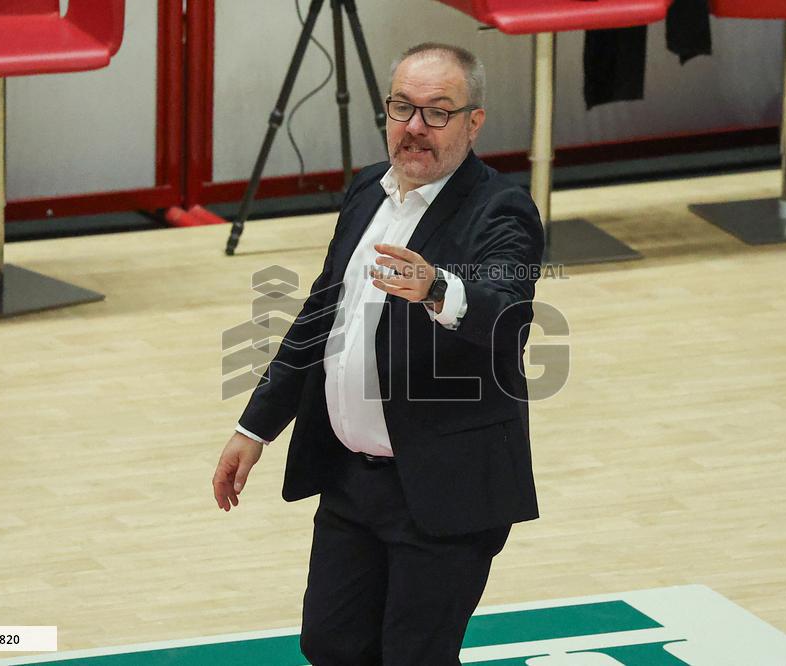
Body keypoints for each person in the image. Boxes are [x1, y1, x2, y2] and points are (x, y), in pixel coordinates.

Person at [212, 42, 543, 665]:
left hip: (443, 490)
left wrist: (437, 288)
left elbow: (508, 313)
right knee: (332, 645)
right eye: (402, 107)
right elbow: (320, 315)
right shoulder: (368, 190)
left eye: (437, 112)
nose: (415, 127)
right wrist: (253, 426)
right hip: (351, 483)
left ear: (474, 121)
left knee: (413, 656)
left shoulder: (500, 209)